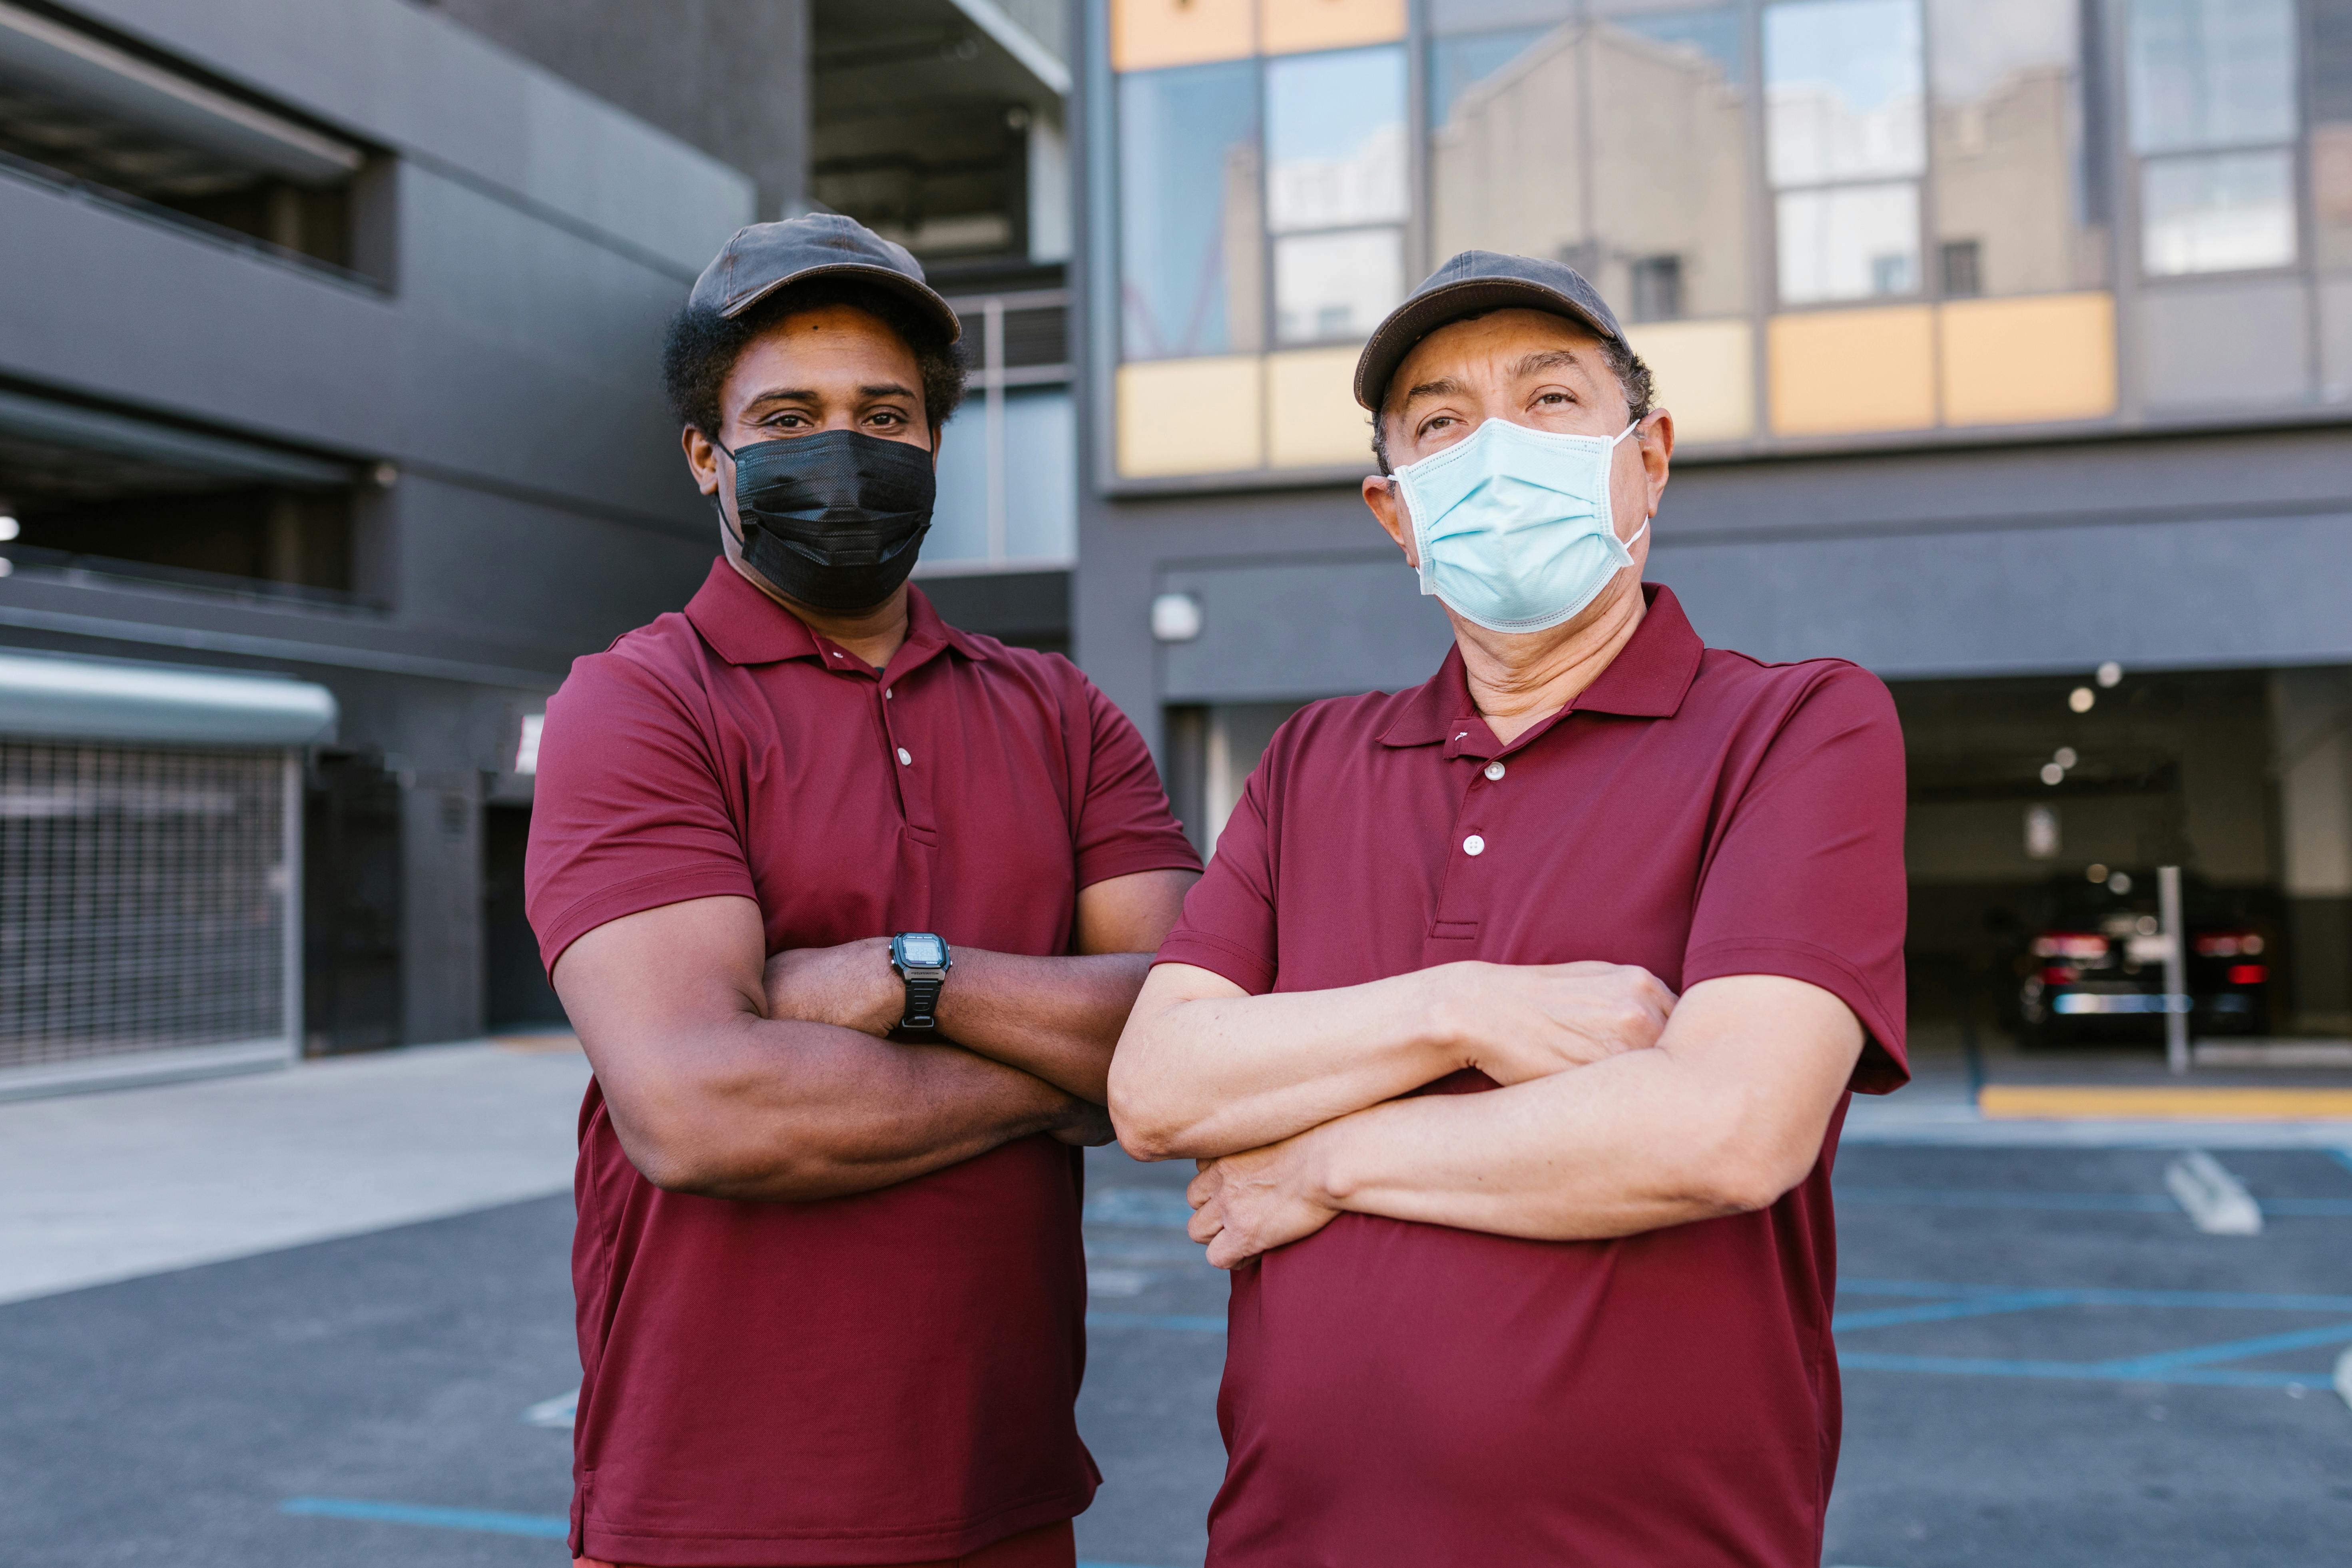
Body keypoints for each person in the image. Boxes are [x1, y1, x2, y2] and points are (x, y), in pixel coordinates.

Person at [1109, 251, 1908, 1567]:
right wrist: (1459, 1006)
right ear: (1395, 512)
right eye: (1439, 423)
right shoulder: (1314, 762)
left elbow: (1725, 1127)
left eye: (1547, 400)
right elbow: (1158, 1085)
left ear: (1646, 456)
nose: (1492, 447)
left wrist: (1321, 1156)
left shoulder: (1792, 726)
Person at [525, 214, 1201, 1568]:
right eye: (787, 414)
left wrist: (910, 978)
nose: (841, 448)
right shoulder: (640, 704)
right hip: (710, 1508)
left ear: (934, 445)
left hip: (1008, 1494)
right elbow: (703, 1108)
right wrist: (1072, 1078)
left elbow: (1191, 1034)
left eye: (882, 413)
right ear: (708, 459)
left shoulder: (1059, 712)